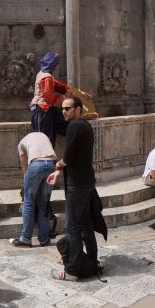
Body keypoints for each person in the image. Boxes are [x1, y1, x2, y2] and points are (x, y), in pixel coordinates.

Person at [52, 96, 105, 280]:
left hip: (77, 184)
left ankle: (73, 269)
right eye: (62, 109)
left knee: (73, 227)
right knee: (85, 224)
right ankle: (91, 260)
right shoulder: (86, 126)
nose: (64, 111)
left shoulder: (74, 126)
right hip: (87, 181)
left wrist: (58, 164)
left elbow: (68, 157)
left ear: (78, 109)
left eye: (67, 108)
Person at [12, 128, 57, 248]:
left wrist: (25, 184)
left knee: (28, 202)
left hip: (36, 164)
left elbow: (25, 169)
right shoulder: (44, 135)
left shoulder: (22, 143)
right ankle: (44, 239)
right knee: (44, 203)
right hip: (52, 164)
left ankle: (26, 238)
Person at [30, 52, 70, 145]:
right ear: (53, 65)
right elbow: (49, 98)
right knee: (45, 142)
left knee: (68, 126)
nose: (57, 67)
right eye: (56, 64)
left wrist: (70, 90)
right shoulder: (46, 77)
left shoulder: (45, 74)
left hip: (48, 110)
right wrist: (64, 98)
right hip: (42, 111)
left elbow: (56, 84)